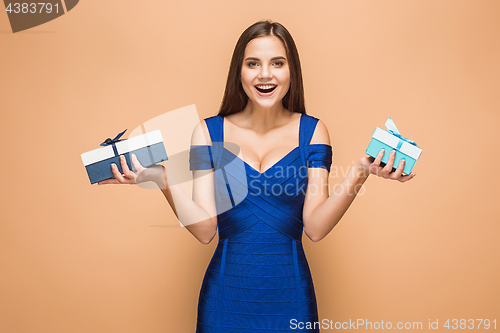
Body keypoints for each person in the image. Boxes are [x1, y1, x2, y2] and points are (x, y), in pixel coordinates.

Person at [98, 20, 415, 333]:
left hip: (291, 297)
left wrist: (361, 171)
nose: (265, 74)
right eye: (253, 64)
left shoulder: (313, 131)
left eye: (277, 63)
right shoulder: (209, 132)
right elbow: (205, 230)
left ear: (292, 71)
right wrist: (162, 178)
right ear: (240, 71)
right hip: (225, 297)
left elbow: (315, 229)